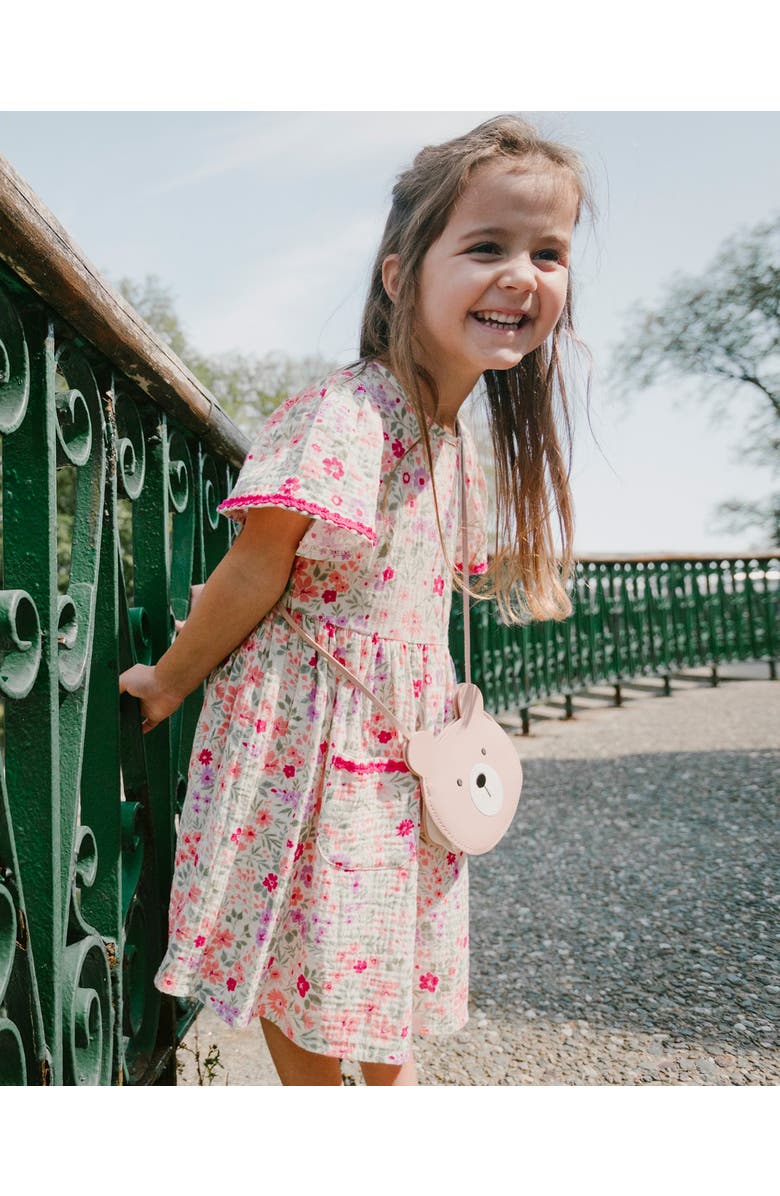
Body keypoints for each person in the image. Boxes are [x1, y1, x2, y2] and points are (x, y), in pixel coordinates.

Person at [118, 114, 592, 1086]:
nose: (523, 273)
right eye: (488, 245)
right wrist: (168, 679)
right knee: (311, 947)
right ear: (399, 273)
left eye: (549, 250)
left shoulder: (455, 441)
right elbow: (258, 567)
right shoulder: (347, 409)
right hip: (313, 740)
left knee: (376, 952)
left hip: (393, 741)